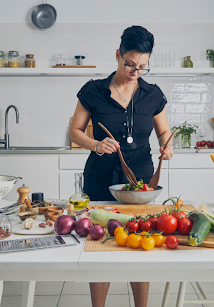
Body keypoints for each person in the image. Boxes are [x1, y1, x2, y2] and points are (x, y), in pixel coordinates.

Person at [69, 25, 173, 307]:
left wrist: (168, 145)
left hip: (140, 180)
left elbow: (163, 131)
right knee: (100, 242)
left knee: (141, 241)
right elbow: (75, 132)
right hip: (100, 176)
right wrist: (95, 144)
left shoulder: (152, 94)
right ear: (117, 55)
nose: (134, 71)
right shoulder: (93, 91)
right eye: (129, 64)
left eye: (142, 67)